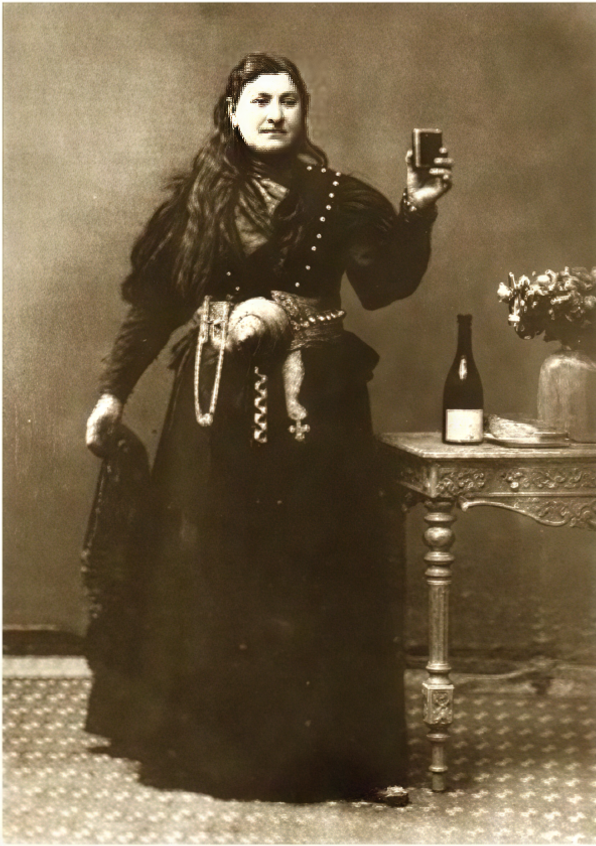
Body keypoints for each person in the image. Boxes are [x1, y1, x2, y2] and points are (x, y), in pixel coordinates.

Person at [84, 52, 453, 803]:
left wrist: (418, 208)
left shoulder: (340, 199)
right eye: (259, 99)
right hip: (211, 404)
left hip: (315, 407)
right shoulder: (200, 202)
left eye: (288, 99)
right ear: (232, 111)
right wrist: (113, 393)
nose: (275, 113)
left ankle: (332, 757)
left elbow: (383, 287)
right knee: (210, 563)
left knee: (315, 563)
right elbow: (155, 307)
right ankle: (213, 752)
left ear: (304, 111)